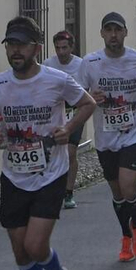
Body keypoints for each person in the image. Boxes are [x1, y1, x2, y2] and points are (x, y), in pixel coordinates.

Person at [0, 16, 96, 270]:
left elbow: (87, 104)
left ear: (36, 48)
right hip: (14, 175)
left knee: (35, 245)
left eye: (22, 45)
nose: (15, 51)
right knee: (20, 250)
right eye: (10, 45)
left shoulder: (56, 80)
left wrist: (68, 128)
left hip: (50, 173)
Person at [81, 13, 136, 261]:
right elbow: (79, 93)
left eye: (118, 30)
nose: (113, 35)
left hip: (134, 132)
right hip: (105, 136)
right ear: (102, 34)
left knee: (128, 187)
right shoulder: (90, 62)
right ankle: (126, 236)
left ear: (126, 32)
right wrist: (90, 97)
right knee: (117, 193)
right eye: (109, 30)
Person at [42, 30, 87, 209]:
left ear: (71, 47)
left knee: (70, 152)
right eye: (58, 48)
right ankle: (52, 188)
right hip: (54, 115)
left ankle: (68, 192)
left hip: (74, 113)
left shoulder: (81, 65)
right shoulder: (48, 64)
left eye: (64, 48)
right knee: (52, 153)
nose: (61, 52)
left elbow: (86, 90)